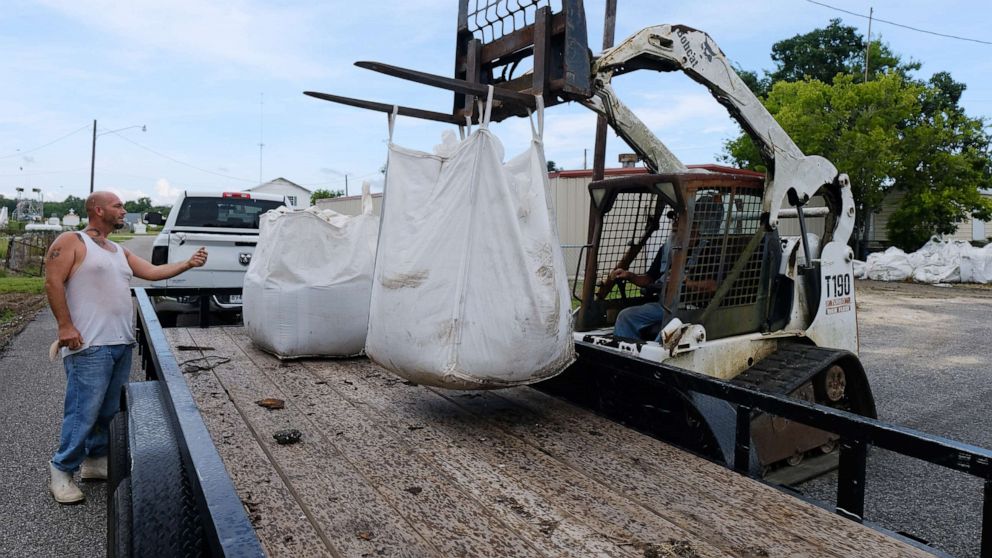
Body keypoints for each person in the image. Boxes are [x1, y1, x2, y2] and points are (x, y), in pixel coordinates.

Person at [43, 191, 208, 504]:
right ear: (98, 209)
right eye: (118, 206)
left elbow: (153, 273)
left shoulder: (118, 249)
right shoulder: (72, 241)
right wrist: (65, 326)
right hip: (89, 344)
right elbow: (52, 282)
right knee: (83, 411)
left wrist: (188, 264)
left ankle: (95, 461)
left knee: (108, 410)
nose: (124, 210)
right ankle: (61, 470)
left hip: (120, 341)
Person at [610, 195, 723, 341]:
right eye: (674, 223)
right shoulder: (666, 249)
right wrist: (629, 275)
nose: (675, 225)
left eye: (680, 223)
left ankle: (654, 359)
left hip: (689, 309)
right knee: (626, 316)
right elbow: (649, 278)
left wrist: (687, 283)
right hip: (664, 305)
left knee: (666, 334)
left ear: (695, 227)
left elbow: (714, 287)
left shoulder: (708, 250)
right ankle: (627, 356)